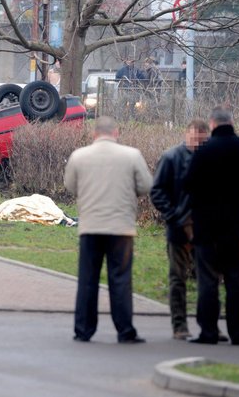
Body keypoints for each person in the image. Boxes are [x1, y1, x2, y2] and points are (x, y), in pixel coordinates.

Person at [64, 116, 153, 344]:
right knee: (120, 279)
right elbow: (145, 186)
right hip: (121, 228)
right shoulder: (132, 155)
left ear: (94, 134)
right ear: (116, 133)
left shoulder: (79, 156)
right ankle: (125, 331)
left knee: (88, 279)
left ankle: (83, 330)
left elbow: (70, 186)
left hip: (90, 226)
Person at [184, 106, 239, 345]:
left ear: (212, 124)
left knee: (208, 281)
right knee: (235, 281)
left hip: (207, 229)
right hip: (237, 228)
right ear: (231, 122)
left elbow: (188, 184)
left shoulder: (203, 152)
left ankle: (208, 332)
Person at [150, 119, 209, 340]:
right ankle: (179, 325)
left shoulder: (208, 158)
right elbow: (157, 191)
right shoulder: (171, 157)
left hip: (204, 229)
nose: (198, 145)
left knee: (207, 278)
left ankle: (208, 325)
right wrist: (173, 216)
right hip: (179, 227)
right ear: (187, 135)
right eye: (195, 140)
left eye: (203, 141)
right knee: (178, 277)